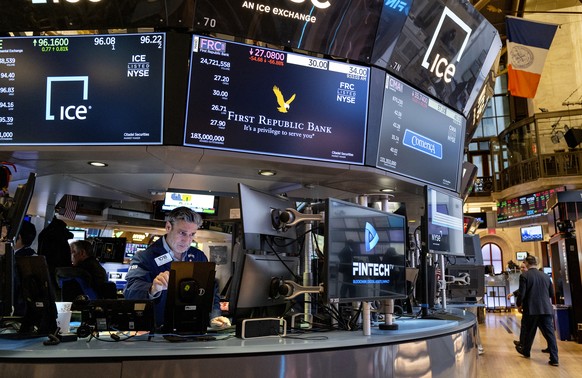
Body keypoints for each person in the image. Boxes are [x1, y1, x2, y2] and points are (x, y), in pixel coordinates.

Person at [124, 206, 229, 330]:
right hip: (159, 331)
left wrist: (214, 316)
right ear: (168, 227)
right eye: (182, 233)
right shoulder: (145, 257)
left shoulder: (198, 256)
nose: (187, 240)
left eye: (192, 234)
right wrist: (153, 288)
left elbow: (211, 291)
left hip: (192, 328)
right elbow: (130, 292)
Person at [514, 255, 559, 366]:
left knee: (530, 332)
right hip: (546, 308)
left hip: (531, 308)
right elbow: (552, 294)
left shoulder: (524, 276)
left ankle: (526, 351)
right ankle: (555, 359)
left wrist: (519, 305)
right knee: (550, 334)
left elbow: (522, 293)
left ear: (527, 264)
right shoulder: (545, 276)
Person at [37, 216, 74, 287]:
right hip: (59, 266)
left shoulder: (44, 233)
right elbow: (71, 235)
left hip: (46, 265)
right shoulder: (58, 232)